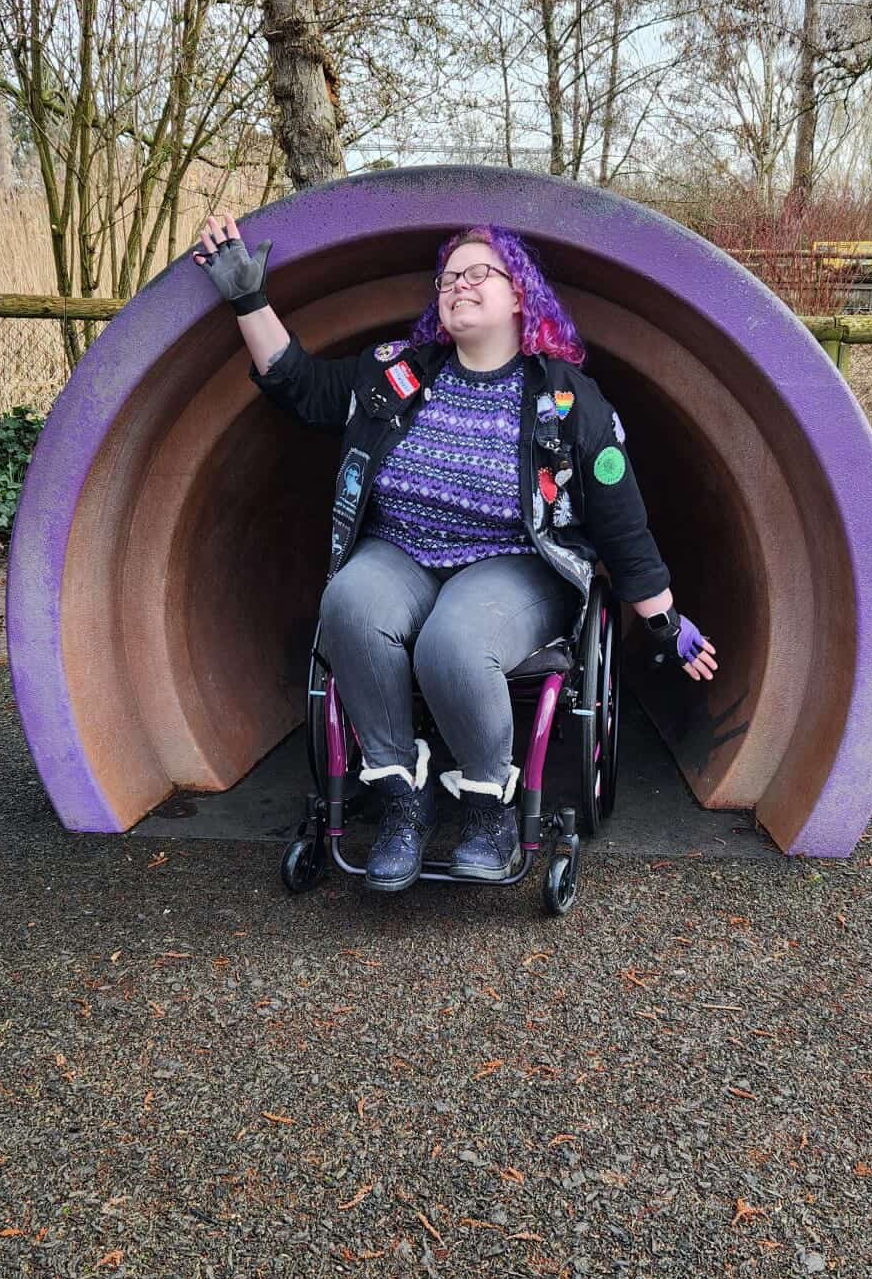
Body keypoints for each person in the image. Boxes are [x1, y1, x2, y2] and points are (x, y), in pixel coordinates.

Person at [194, 212, 719, 891]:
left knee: (453, 642)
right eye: (448, 277)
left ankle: (486, 809)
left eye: (479, 273)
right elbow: (300, 384)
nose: (459, 285)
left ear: (519, 295)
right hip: (403, 551)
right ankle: (402, 804)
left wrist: (665, 619)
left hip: (514, 564)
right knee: (348, 600)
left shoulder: (565, 399)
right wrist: (246, 297)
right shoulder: (399, 374)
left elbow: (622, 522)